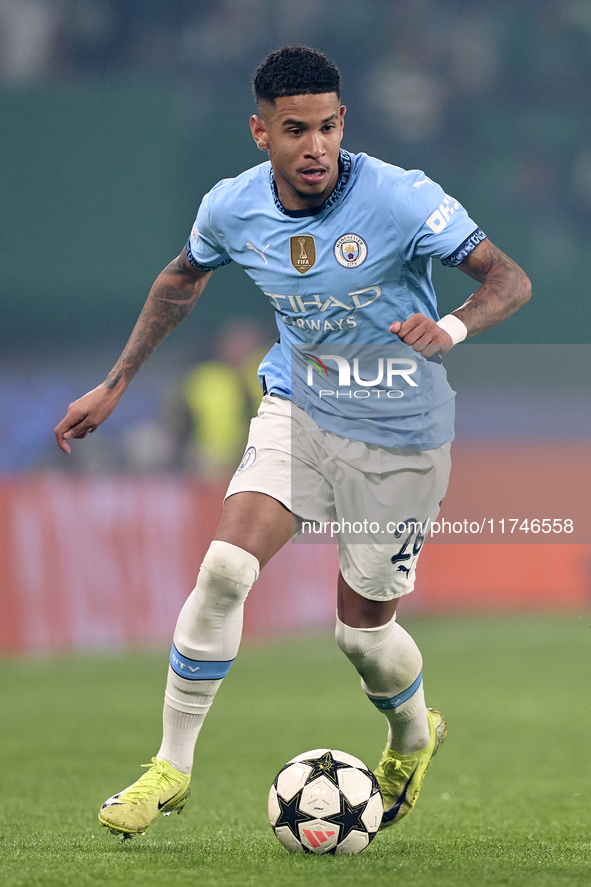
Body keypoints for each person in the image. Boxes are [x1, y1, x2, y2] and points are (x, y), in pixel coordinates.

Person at [55, 45, 531, 839]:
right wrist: (117, 382)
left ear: (344, 123)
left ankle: (412, 738)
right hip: (297, 405)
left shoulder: (401, 197)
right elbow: (180, 279)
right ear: (260, 132)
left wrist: (448, 326)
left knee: (361, 634)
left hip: (398, 430)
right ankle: (169, 767)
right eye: (294, 130)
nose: (314, 147)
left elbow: (507, 279)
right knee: (223, 570)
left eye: (327, 128)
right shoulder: (231, 207)